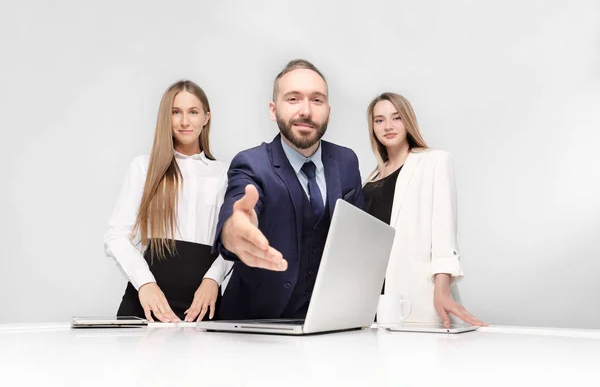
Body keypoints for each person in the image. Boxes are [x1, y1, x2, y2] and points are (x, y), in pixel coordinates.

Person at [212, 59, 364, 320]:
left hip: (326, 321)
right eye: (293, 99)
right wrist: (234, 230)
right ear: (273, 110)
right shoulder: (251, 163)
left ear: (328, 110)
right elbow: (238, 206)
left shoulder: (347, 162)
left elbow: (358, 238)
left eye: (316, 100)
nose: (306, 110)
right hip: (255, 324)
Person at [104, 80, 232, 323]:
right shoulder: (144, 167)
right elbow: (116, 236)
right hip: (149, 304)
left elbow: (234, 242)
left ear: (206, 117)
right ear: (166, 117)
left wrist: (213, 279)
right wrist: (145, 284)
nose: (185, 121)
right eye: (176, 112)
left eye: (193, 112)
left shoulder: (225, 174)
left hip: (202, 305)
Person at [363, 92, 487, 328]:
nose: (388, 126)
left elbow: (444, 233)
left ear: (407, 120)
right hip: (374, 301)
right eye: (379, 120)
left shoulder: (434, 162)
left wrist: (442, 290)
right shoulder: (369, 180)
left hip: (416, 294)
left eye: (396, 118)